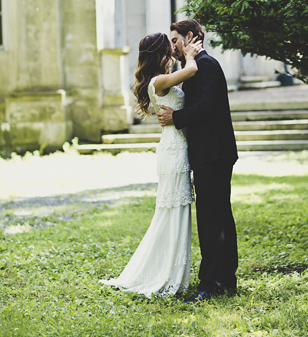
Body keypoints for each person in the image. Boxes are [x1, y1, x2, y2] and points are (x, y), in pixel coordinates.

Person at [99, 31, 202, 298]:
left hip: (173, 145)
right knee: (174, 211)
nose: (173, 52)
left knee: (173, 210)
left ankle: (167, 268)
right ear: (160, 53)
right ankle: (164, 273)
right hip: (174, 150)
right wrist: (190, 55)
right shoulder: (159, 81)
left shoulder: (158, 80)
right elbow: (191, 70)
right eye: (170, 48)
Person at [157, 19, 238, 303]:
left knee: (211, 218)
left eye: (176, 40)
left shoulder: (206, 65)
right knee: (219, 215)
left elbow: (207, 106)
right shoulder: (195, 65)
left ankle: (211, 284)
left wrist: (175, 118)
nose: (173, 46)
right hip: (209, 152)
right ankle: (227, 278)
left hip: (213, 152)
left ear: (190, 37)